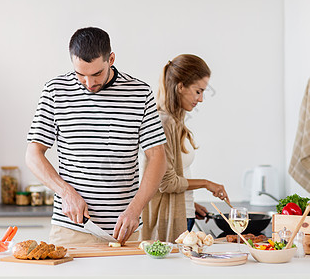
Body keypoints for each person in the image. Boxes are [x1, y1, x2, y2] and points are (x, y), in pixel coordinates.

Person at [26, 27, 167, 245]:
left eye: (96, 74)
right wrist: (66, 192)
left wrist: (135, 209)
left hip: (125, 230)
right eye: (80, 74)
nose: (89, 84)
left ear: (111, 59)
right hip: (72, 229)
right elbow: (33, 154)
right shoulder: (55, 91)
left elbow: (157, 156)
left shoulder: (140, 93)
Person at [140, 54, 229, 242]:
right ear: (180, 87)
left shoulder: (176, 122)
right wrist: (206, 183)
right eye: (198, 91)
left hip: (184, 214)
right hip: (170, 221)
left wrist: (189, 203)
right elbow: (167, 182)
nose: (201, 99)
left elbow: (176, 175)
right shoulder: (164, 123)